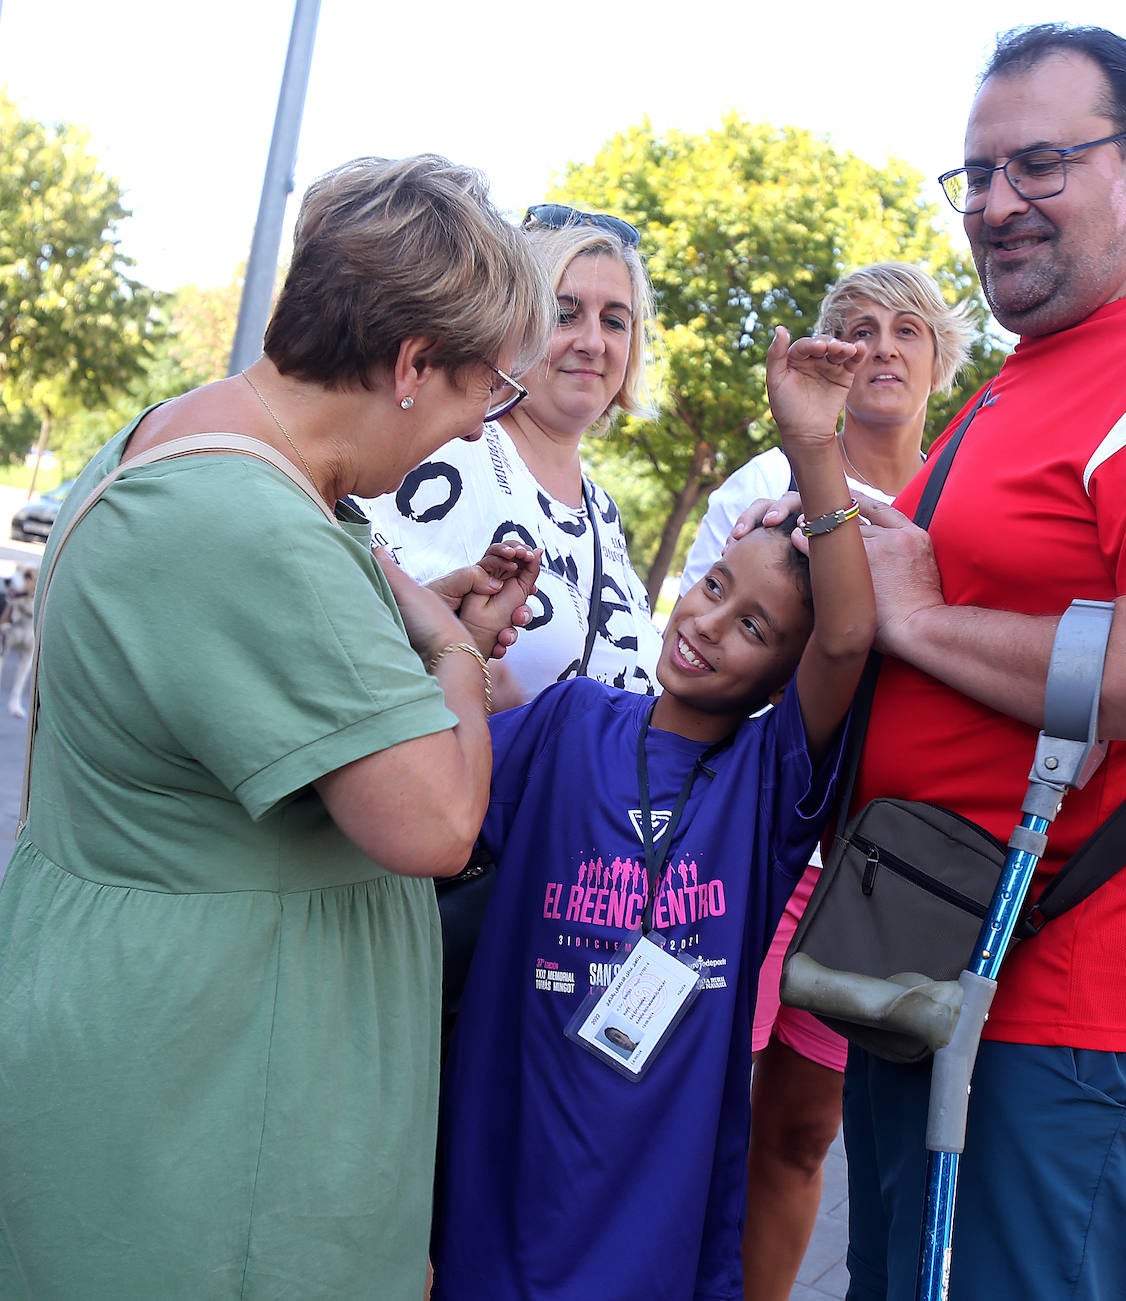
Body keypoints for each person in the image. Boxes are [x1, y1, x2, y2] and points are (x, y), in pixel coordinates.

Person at [742, 24, 1126, 1300]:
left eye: (1042, 163)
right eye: (978, 174)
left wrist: (919, 617)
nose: (998, 203)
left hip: (1063, 1007)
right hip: (935, 969)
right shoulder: (1035, 375)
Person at [0, 154, 555, 1300]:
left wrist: (402, 639)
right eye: (483, 393)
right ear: (411, 364)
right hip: (210, 1114)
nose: (470, 434)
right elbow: (437, 822)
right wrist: (447, 647)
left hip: (169, 1066)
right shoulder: (254, 523)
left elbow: (252, 680)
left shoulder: (188, 440)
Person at [427, 325, 877, 1301]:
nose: (711, 623)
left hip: (651, 1224)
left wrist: (813, 446)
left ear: (782, 670)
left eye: (754, 626)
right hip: (501, 1191)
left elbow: (846, 635)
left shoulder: (766, 786)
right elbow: (439, 801)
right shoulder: (566, 724)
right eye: (714, 588)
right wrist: (460, 648)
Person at [679, 263, 974, 1301]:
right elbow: (701, 654)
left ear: (942, 358)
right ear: (827, 359)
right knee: (693, 1098)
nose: (882, 346)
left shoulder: (963, 498)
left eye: (907, 329)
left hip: (882, 868)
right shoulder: (762, 485)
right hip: (756, 838)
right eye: (857, 330)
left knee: (803, 1130)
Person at [359, 204, 662, 709]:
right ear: (515, 323)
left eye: (615, 321)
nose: (593, 342)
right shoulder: (451, 450)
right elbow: (361, 632)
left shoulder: (603, 513)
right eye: (565, 315)